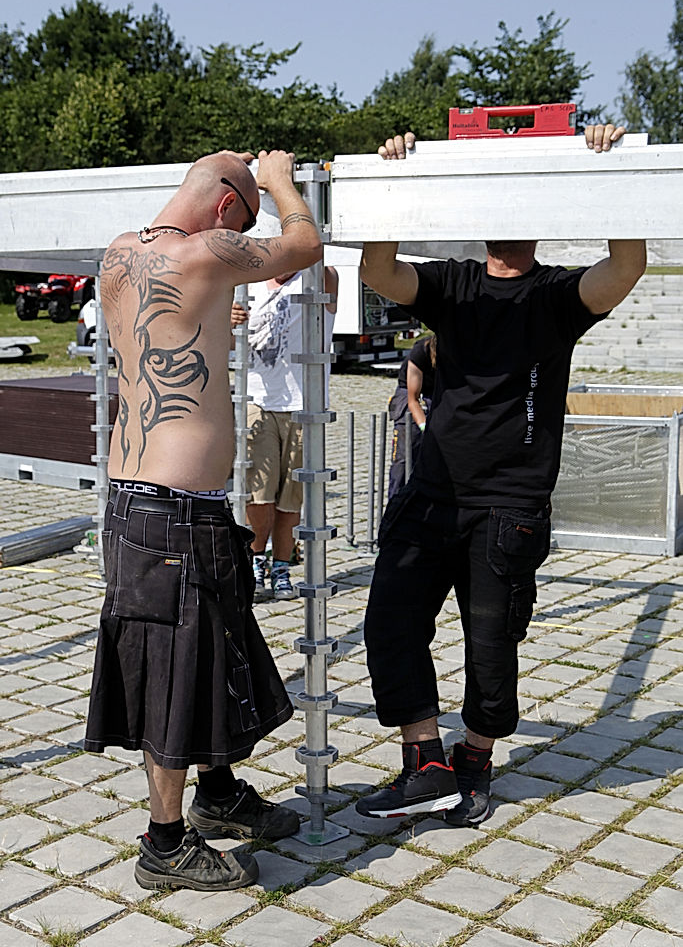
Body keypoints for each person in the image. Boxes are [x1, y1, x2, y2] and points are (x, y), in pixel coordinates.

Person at [355, 125, 647, 826]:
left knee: (491, 647)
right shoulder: (452, 283)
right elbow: (379, 272)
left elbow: (627, 265)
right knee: (390, 623)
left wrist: (615, 167)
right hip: (431, 494)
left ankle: (475, 762)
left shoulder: (557, 295)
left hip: (509, 505)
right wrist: (392, 182)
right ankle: (425, 765)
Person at [84, 147, 322, 892]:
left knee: (213, 653)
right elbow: (305, 245)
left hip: (147, 505)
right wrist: (280, 183)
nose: (242, 234)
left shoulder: (118, 253)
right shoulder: (209, 251)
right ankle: (163, 844)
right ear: (226, 210)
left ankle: (217, 794)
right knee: (175, 674)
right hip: (170, 513)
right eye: (243, 220)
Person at [231, 265, 337, 601]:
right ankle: (255, 561)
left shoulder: (317, 276)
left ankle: (281, 568)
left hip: (303, 404)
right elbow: (225, 338)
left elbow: (324, 261)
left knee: (291, 497)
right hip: (257, 401)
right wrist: (227, 320)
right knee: (257, 494)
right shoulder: (246, 284)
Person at [387, 334, 437, 499]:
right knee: (405, 455)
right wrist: (424, 427)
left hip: (436, 392)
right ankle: (396, 502)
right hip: (409, 394)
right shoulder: (421, 350)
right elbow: (413, 400)